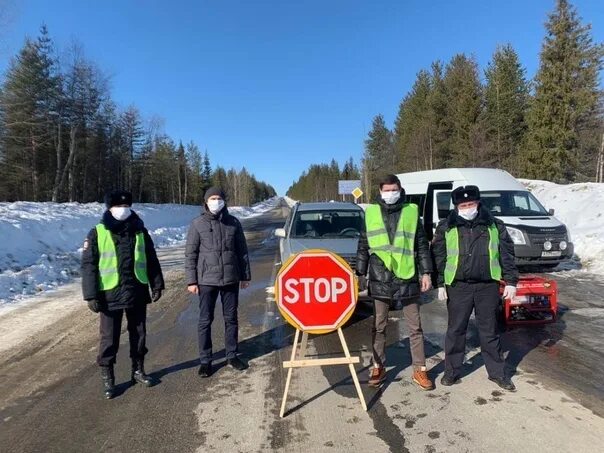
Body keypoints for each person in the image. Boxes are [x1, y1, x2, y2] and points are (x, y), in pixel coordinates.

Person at [432, 185, 519, 391]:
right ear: (456, 207)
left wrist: (512, 281)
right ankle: (452, 372)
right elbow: (439, 256)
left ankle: (497, 373)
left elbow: (507, 254)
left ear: (478, 203)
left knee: (489, 331)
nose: (467, 207)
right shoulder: (446, 227)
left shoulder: (495, 226)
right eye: (463, 205)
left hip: (487, 287)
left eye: (471, 204)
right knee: (456, 330)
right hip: (458, 286)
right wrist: (439, 283)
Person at [81, 190, 164, 399]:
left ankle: (138, 370)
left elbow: (151, 259)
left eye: (126, 206)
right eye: (118, 206)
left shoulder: (140, 230)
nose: (123, 210)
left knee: (139, 334)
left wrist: (156, 284)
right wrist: (91, 295)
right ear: (109, 208)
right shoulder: (97, 232)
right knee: (109, 338)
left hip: (137, 291)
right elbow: (89, 265)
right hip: (109, 295)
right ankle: (108, 378)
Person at [356, 174, 434, 390]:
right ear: (380, 192)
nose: (390, 194)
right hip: (380, 276)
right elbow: (363, 242)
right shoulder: (370, 212)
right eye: (386, 190)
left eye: (394, 189)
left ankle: (420, 369)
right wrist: (360, 273)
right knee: (378, 326)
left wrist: (426, 272)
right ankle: (378, 366)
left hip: (406, 275)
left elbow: (421, 244)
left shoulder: (411, 211)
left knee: (415, 327)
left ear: (400, 190)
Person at [185, 187, 251, 377]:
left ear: (224, 201)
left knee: (231, 318)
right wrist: (192, 280)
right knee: (205, 320)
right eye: (212, 198)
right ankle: (205, 360)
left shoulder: (233, 223)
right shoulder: (197, 224)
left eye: (219, 198)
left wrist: (245, 276)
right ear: (206, 202)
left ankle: (232, 355)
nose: (216, 201)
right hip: (206, 280)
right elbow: (191, 254)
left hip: (230, 278)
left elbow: (242, 251)